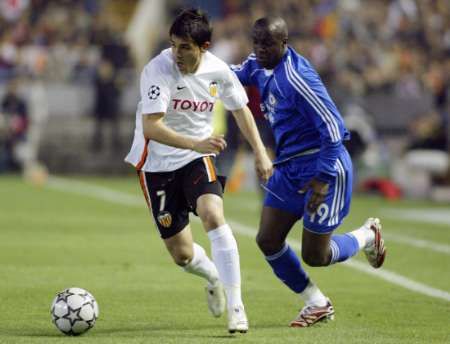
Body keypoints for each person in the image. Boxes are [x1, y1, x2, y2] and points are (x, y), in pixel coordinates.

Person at [231, 17, 387, 327]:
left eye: (268, 44)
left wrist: (322, 180)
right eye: (257, 43)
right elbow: (230, 76)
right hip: (289, 166)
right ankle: (317, 302)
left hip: (322, 165)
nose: (261, 50)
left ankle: (368, 235)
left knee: (315, 255)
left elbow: (335, 129)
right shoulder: (256, 64)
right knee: (267, 239)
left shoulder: (297, 77)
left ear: (284, 43)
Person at [124, 9, 272, 333]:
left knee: (213, 215)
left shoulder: (219, 71)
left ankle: (237, 308)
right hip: (156, 164)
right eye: (174, 45)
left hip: (196, 158)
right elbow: (151, 126)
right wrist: (194, 143)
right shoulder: (157, 70)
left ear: (204, 47)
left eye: (185, 47)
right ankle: (213, 275)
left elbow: (241, 110)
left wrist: (261, 153)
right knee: (182, 254)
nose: (177, 53)